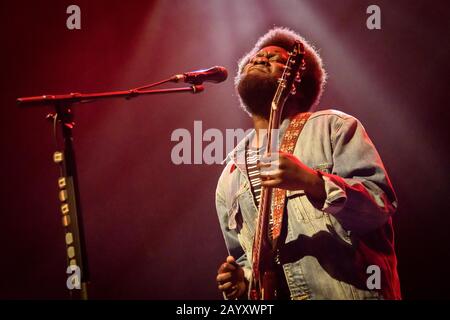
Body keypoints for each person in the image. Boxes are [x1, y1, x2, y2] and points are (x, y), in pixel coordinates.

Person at [215, 27, 401, 300]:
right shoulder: (228, 178)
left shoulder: (333, 127)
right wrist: (242, 284)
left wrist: (312, 182)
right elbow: (244, 258)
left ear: (295, 78)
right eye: (256, 56)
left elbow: (379, 205)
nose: (259, 59)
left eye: (273, 57)